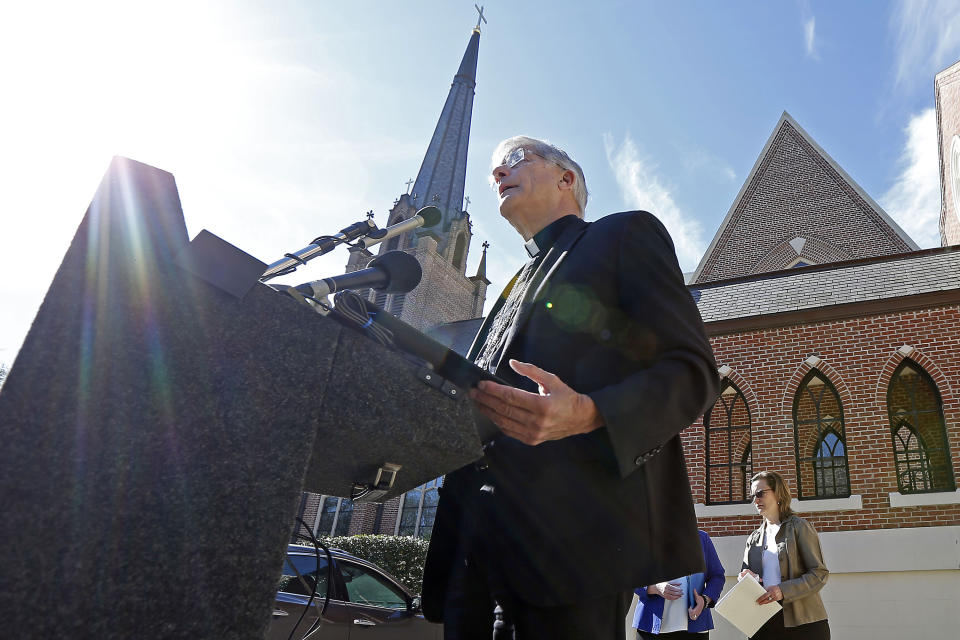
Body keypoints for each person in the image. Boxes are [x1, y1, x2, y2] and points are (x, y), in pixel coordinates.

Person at [421, 135, 719, 639]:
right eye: (494, 169)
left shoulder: (625, 235)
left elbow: (693, 372)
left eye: (514, 160)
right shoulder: (509, 286)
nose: (497, 174)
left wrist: (589, 412)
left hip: (568, 556)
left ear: (567, 179)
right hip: (471, 561)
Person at [738, 471, 830, 639]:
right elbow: (746, 575)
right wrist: (745, 578)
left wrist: (782, 591)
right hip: (763, 622)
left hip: (803, 624)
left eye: (760, 493)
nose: (755, 500)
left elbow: (819, 574)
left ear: (778, 493)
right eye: (752, 496)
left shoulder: (799, 527)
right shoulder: (753, 538)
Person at [633, 530, 725, 638]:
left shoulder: (702, 538)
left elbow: (717, 576)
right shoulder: (646, 537)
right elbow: (631, 576)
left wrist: (705, 600)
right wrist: (655, 588)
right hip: (651, 627)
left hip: (695, 628)